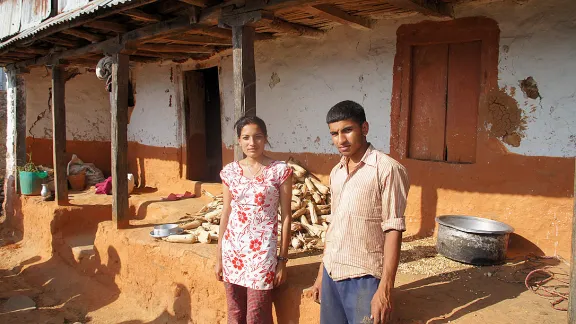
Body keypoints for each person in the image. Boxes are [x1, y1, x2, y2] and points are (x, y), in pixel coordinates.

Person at [305, 100, 409, 324]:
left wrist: (385, 289)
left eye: (347, 130)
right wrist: (321, 276)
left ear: (365, 128)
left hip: (364, 279)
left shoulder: (387, 169)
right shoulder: (337, 172)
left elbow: (393, 229)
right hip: (333, 274)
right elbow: (335, 226)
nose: (340, 140)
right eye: (334, 133)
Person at [215, 115, 293, 324]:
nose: (252, 143)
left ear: (266, 138)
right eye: (246, 137)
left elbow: (286, 216)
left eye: (258, 137)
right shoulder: (230, 172)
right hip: (233, 252)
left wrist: (282, 261)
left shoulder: (280, 170)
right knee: (235, 312)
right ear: (238, 140)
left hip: (262, 254)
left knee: (256, 314)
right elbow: (226, 212)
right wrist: (219, 257)